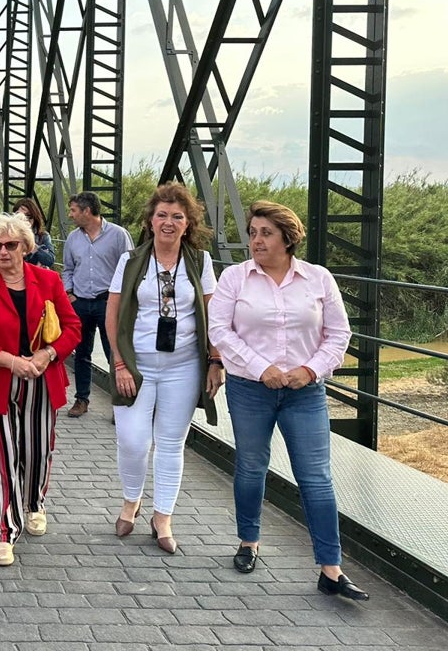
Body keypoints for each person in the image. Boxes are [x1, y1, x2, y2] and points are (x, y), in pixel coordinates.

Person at [208, 201, 367, 600]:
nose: (256, 240)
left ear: (287, 238)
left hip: (304, 392)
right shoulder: (234, 279)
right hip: (250, 389)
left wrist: (311, 370)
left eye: (266, 233)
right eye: (253, 232)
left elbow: (338, 335)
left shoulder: (318, 279)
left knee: (316, 477)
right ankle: (248, 541)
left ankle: (330, 569)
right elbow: (221, 331)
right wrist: (262, 367)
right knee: (250, 466)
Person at [105, 183, 222, 554]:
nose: (168, 223)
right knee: (133, 440)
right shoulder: (130, 260)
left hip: (183, 366)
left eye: (177, 216)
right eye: (162, 215)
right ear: (150, 221)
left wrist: (215, 360)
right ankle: (131, 500)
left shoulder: (200, 262)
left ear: (188, 224)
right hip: (136, 365)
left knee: (171, 444)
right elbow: (112, 315)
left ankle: (163, 517)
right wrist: (119, 363)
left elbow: (213, 315)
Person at [0, 214, 81, 566]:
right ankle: (2, 529)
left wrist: (47, 353)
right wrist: (13, 362)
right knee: (1, 458)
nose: (2, 251)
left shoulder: (49, 281)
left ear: (26, 247)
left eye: (10, 245)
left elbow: (72, 327)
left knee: (38, 450)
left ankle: (34, 503)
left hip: (42, 378)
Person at [61, 191, 134, 418]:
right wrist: (69, 293)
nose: (70, 215)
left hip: (108, 303)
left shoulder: (118, 235)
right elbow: (68, 269)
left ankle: (118, 404)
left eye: (74, 210)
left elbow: (130, 268)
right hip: (81, 303)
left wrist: (122, 301)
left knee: (115, 353)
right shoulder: (73, 238)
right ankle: (81, 400)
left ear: (87, 211)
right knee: (81, 353)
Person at [13, 197, 56, 269]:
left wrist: (32, 246)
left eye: (29, 216)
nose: (24, 219)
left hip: (36, 276)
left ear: (34, 218)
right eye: (20, 215)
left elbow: (50, 260)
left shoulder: (43, 236)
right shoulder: (8, 236)